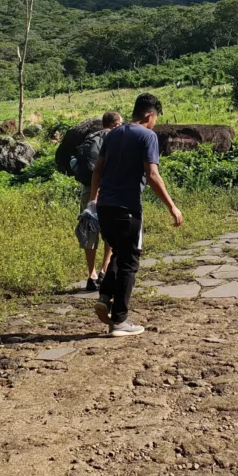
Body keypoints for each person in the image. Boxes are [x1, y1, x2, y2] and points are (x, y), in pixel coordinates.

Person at [90, 92, 183, 337]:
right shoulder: (147, 136)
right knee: (130, 261)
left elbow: (97, 170)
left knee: (119, 253)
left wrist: (93, 200)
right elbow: (152, 175)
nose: (155, 123)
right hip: (127, 208)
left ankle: (106, 296)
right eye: (155, 119)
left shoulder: (111, 135)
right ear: (150, 115)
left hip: (105, 207)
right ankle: (119, 321)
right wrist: (172, 206)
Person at [72, 111, 122, 290]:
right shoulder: (115, 138)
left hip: (87, 189)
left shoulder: (91, 138)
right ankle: (104, 269)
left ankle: (91, 274)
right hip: (108, 190)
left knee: (90, 229)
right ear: (116, 125)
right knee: (110, 230)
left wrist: (92, 197)